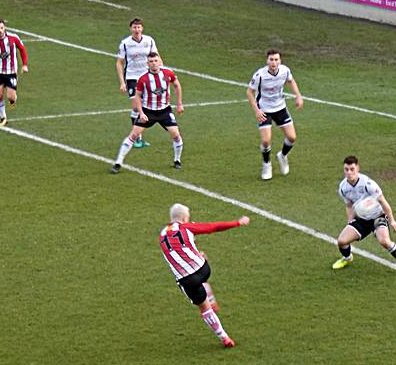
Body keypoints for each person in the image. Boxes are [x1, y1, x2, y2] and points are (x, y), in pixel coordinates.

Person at [159, 203, 250, 348]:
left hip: (187, 280)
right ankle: (211, 298)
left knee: (204, 308)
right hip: (203, 269)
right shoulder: (187, 227)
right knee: (200, 256)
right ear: (184, 217)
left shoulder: (162, 234)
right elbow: (213, 227)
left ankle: (224, 338)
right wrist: (237, 222)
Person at [332, 156, 396, 279]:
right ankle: (347, 258)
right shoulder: (343, 187)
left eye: (352, 169)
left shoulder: (368, 184)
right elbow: (349, 205)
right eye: (346, 169)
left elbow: (383, 201)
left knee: (384, 241)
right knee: (341, 241)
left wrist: (392, 220)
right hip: (361, 219)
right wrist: (350, 221)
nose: (349, 172)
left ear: (358, 168)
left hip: (377, 216)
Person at [111, 52, 183, 173]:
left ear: (159, 61)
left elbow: (177, 85)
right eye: (151, 61)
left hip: (164, 111)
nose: (154, 63)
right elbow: (137, 96)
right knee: (133, 135)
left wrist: (179, 104)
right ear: (147, 63)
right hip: (148, 111)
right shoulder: (143, 79)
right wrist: (141, 112)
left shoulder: (168, 73)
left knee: (176, 135)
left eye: (156, 61)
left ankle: (177, 160)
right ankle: (118, 163)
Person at [246, 49, 303, 180]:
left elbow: (291, 81)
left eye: (276, 59)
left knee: (292, 137)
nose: (274, 62)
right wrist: (257, 110)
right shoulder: (259, 75)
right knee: (266, 141)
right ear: (267, 61)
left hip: (280, 108)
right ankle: (267, 164)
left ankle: (282, 156)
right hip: (264, 109)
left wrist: (298, 96)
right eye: (271, 59)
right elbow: (249, 92)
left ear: (280, 61)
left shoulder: (285, 71)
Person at [116, 18, 158, 148]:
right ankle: (137, 138)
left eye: (139, 27)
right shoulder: (125, 43)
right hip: (132, 77)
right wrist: (122, 82)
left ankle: (138, 136)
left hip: (146, 77)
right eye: (134, 27)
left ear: (142, 28)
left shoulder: (149, 40)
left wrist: (160, 73)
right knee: (136, 106)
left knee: (143, 106)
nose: (137, 30)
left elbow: (156, 57)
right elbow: (119, 63)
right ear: (131, 29)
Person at [0, 19, 28, 126]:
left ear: (5, 27)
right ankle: (3, 118)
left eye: (2, 28)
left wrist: (25, 65)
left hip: (11, 71)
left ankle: (12, 100)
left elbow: (22, 50)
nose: (0, 30)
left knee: (11, 97)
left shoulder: (14, 38)